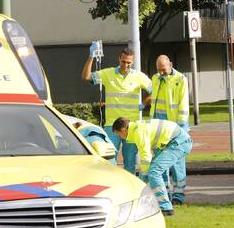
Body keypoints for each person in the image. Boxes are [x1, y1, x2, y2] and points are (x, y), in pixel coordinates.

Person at [82, 45, 151, 173]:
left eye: (129, 62)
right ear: (119, 59)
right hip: (111, 125)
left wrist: (144, 103)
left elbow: (155, 91)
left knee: (129, 163)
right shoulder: (108, 73)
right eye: (123, 61)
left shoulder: (139, 76)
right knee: (109, 161)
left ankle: (129, 190)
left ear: (133, 62)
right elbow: (86, 77)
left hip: (131, 126)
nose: (126, 65)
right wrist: (91, 56)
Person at [112, 117, 191, 216]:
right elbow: (147, 159)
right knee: (151, 171)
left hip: (178, 143)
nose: (120, 137)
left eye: (119, 134)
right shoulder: (137, 128)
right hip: (176, 141)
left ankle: (165, 208)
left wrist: (142, 178)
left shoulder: (138, 132)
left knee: (154, 172)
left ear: (123, 130)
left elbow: (145, 157)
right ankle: (148, 203)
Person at [146, 55, 190, 204]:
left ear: (170, 64)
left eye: (163, 70)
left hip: (174, 127)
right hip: (158, 127)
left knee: (177, 161)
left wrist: (181, 126)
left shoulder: (180, 79)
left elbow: (183, 104)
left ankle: (178, 195)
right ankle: (163, 193)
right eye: (159, 70)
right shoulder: (156, 78)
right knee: (159, 160)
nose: (161, 73)